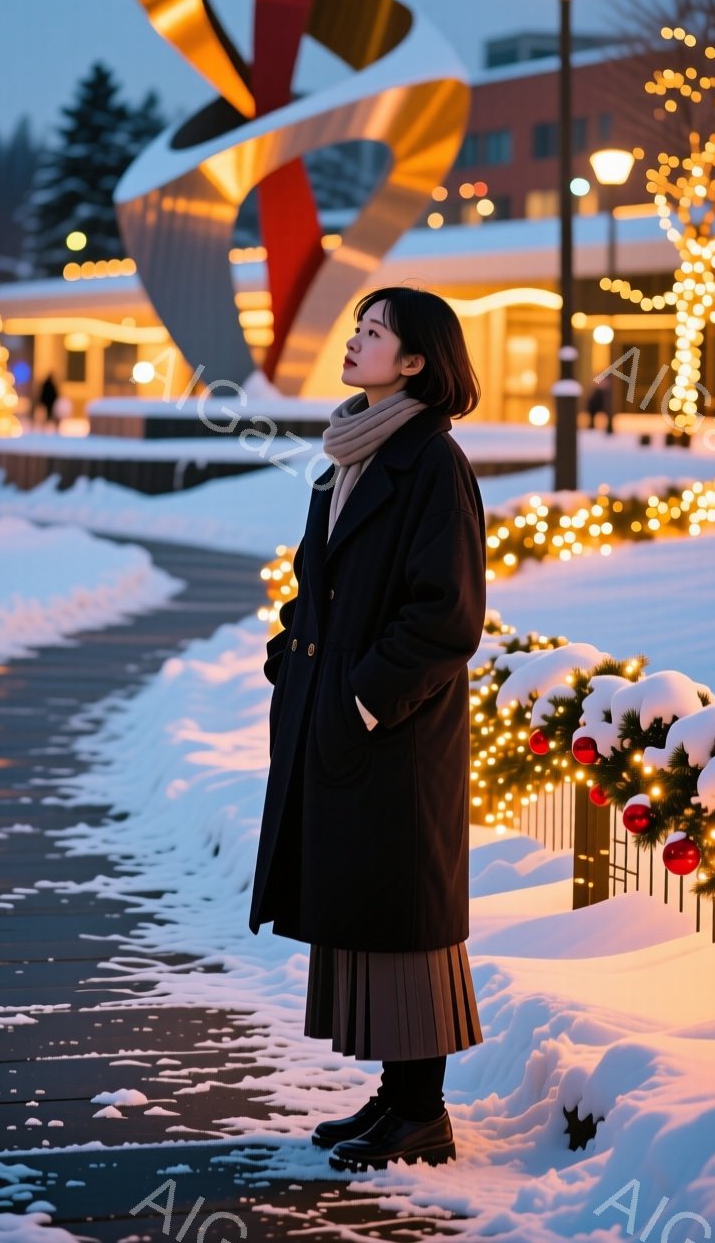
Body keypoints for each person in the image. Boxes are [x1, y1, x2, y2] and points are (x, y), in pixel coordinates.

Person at [248, 284, 487, 1172]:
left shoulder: (432, 463)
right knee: (368, 915)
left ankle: (422, 1112)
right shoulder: (350, 454)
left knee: (405, 919)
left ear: (415, 360)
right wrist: (292, 659)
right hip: (345, 725)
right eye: (356, 327)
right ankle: (394, 1099)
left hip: (397, 734)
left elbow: (446, 615)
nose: (354, 341)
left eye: (374, 332)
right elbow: (322, 586)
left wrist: (360, 698)